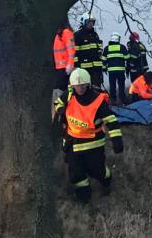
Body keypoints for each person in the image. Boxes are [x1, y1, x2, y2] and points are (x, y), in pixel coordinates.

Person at [54, 68, 123, 204]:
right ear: (72, 85)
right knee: (76, 173)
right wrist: (60, 109)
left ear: (88, 84)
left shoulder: (98, 101)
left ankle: (106, 181)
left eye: (82, 85)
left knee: (97, 171)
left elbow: (111, 121)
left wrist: (117, 140)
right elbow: (58, 103)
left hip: (93, 143)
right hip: (72, 142)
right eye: (76, 85)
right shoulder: (68, 95)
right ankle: (84, 198)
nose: (79, 88)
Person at [74, 13, 104, 89]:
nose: (91, 24)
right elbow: (74, 52)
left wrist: (100, 51)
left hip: (96, 68)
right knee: (85, 88)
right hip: (84, 68)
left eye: (92, 22)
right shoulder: (78, 35)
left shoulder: (95, 35)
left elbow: (99, 47)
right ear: (83, 22)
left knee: (97, 88)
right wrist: (76, 66)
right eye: (89, 22)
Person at [102, 32, 130, 105]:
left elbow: (103, 60)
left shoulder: (107, 48)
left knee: (112, 87)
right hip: (120, 71)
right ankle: (123, 101)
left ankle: (112, 101)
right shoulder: (122, 47)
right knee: (121, 86)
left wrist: (104, 69)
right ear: (118, 39)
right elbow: (127, 57)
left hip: (111, 72)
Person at [53, 19, 75, 91]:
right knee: (60, 89)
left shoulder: (66, 33)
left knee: (64, 90)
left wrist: (70, 66)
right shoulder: (57, 35)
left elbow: (71, 51)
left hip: (65, 69)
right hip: (59, 68)